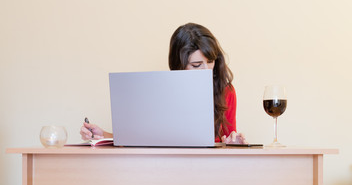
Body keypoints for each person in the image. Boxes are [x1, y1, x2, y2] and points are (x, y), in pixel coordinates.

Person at [80, 23, 247, 144]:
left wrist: (234, 142)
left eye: (210, 62)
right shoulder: (161, 91)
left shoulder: (225, 91)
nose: (207, 70)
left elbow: (228, 141)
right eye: (196, 65)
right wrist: (103, 135)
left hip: (208, 170)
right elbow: (143, 138)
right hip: (167, 168)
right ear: (178, 65)